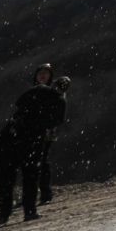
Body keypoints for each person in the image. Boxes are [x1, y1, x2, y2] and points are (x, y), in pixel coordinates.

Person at [0, 64, 66, 224]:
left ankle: (4, 214)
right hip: (32, 138)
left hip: (10, 136)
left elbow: (18, 108)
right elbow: (57, 119)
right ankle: (30, 210)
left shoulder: (30, 93)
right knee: (31, 174)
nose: (43, 76)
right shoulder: (57, 98)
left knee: (6, 177)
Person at [37, 75, 72, 204]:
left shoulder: (55, 98)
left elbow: (58, 119)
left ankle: (44, 193)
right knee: (42, 162)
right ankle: (43, 193)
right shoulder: (60, 98)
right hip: (47, 132)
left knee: (41, 162)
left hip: (46, 133)